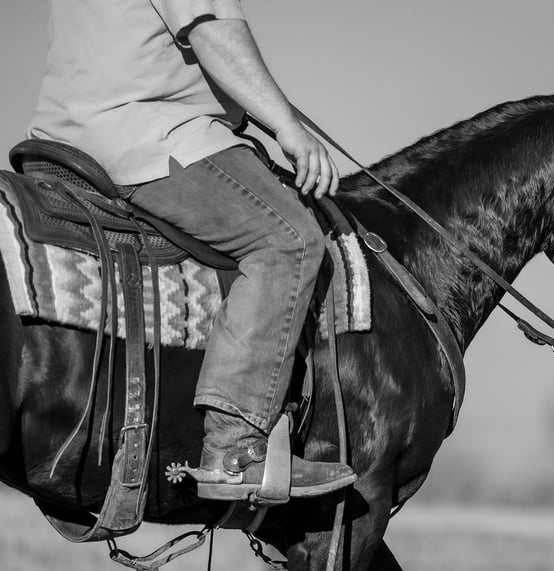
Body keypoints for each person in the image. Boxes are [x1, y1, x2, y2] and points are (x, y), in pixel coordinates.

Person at [28, 0, 356, 501]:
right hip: (147, 134)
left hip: (63, 136)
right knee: (290, 240)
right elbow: (212, 33)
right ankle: (235, 450)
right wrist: (287, 126)